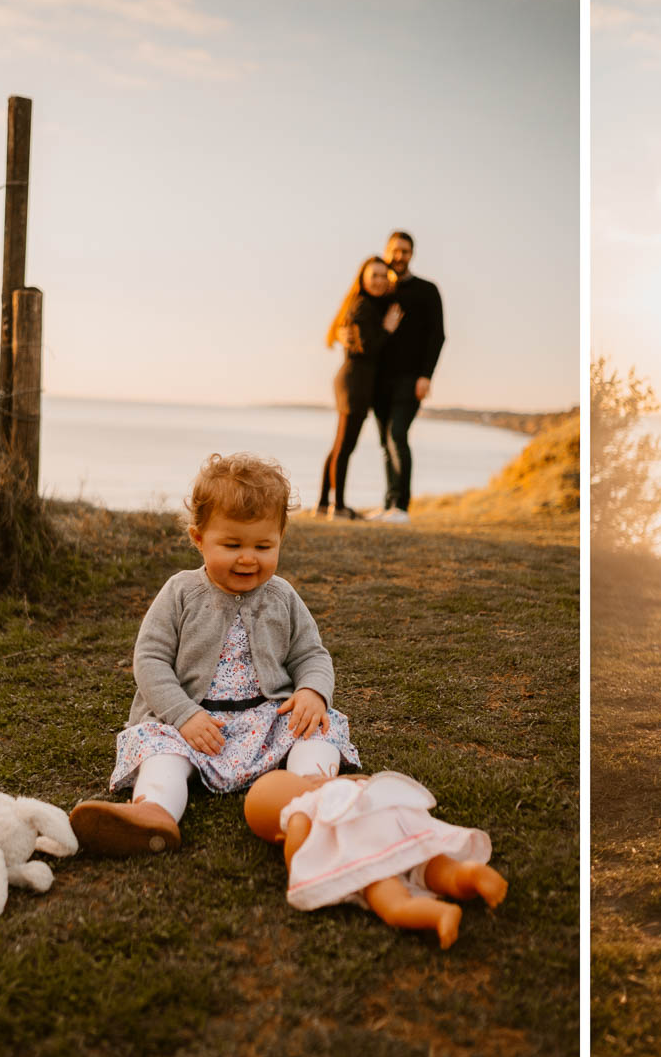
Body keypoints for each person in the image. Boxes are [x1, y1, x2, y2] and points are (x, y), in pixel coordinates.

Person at [70, 452, 361, 856]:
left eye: (264, 545)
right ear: (198, 539)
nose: (248, 557)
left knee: (317, 728)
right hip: (193, 724)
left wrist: (312, 691)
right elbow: (150, 660)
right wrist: (182, 715)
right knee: (161, 752)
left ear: (281, 539)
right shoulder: (181, 592)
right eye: (232, 544)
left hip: (267, 717)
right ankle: (154, 813)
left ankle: (317, 789)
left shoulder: (283, 596)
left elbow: (311, 654)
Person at [243, 767, 507, 949]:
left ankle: (439, 914)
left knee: (394, 905)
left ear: (278, 835)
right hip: (401, 834)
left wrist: (292, 848)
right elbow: (372, 781)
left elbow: (298, 857)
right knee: (435, 866)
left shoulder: (297, 813)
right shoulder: (340, 786)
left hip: (368, 855)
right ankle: (467, 873)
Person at [317, 257, 403, 520]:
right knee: (345, 447)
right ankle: (338, 507)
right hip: (355, 381)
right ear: (362, 278)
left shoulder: (364, 304)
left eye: (382, 276)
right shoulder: (363, 306)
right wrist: (387, 329)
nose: (378, 280)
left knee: (340, 445)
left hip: (355, 380)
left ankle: (323, 504)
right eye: (373, 275)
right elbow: (368, 347)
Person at [370, 231, 445, 523]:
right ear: (386, 252)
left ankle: (402, 507)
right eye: (395, 250)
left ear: (412, 254)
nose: (400, 256)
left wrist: (426, 376)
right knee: (384, 443)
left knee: (396, 436)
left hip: (410, 379)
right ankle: (388, 504)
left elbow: (437, 336)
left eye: (405, 251)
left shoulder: (427, 290)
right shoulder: (378, 291)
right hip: (378, 382)